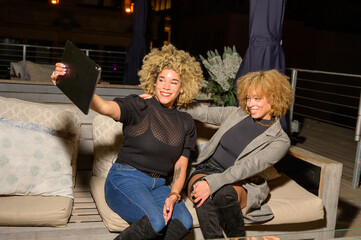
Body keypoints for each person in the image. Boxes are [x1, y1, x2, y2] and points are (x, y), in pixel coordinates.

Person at [51, 44, 204, 240]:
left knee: (184, 220)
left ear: (182, 88)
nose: (166, 86)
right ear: (154, 82)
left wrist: (174, 195)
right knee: (156, 221)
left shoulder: (186, 122)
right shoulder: (139, 105)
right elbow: (105, 107)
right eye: (161, 80)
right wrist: (72, 82)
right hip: (125, 179)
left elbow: (181, 166)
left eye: (174, 82)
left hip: (159, 186)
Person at [184, 69, 294, 239]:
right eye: (248, 98)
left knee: (223, 195)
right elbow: (204, 113)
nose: (250, 104)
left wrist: (212, 183)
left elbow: (248, 167)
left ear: (274, 98)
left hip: (242, 180)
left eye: (257, 99)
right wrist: (172, 102)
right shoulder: (238, 114)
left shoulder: (280, 140)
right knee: (201, 193)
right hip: (206, 168)